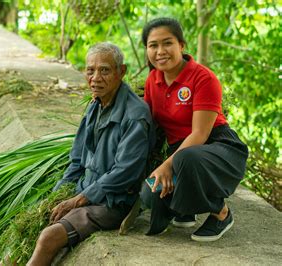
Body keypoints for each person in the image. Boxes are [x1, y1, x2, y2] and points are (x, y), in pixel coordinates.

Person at [27, 42, 154, 266]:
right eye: (90, 70)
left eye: (104, 70)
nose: (95, 77)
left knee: (49, 238)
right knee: (36, 221)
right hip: (85, 191)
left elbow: (125, 172)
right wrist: (57, 195)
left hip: (113, 202)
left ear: (121, 71)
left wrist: (78, 200)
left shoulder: (135, 115)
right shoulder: (95, 105)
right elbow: (76, 161)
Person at [140, 17, 249, 241]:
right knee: (149, 194)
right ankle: (185, 209)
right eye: (153, 45)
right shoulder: (153, 79)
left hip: (219, 149)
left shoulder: (203, 78)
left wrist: (167, 165)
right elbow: (150, 124)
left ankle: (221, 213)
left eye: (167, 43)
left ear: (181, 45)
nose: (160, 51)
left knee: (185, 159)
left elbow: (200, 134)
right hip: (183, 153)